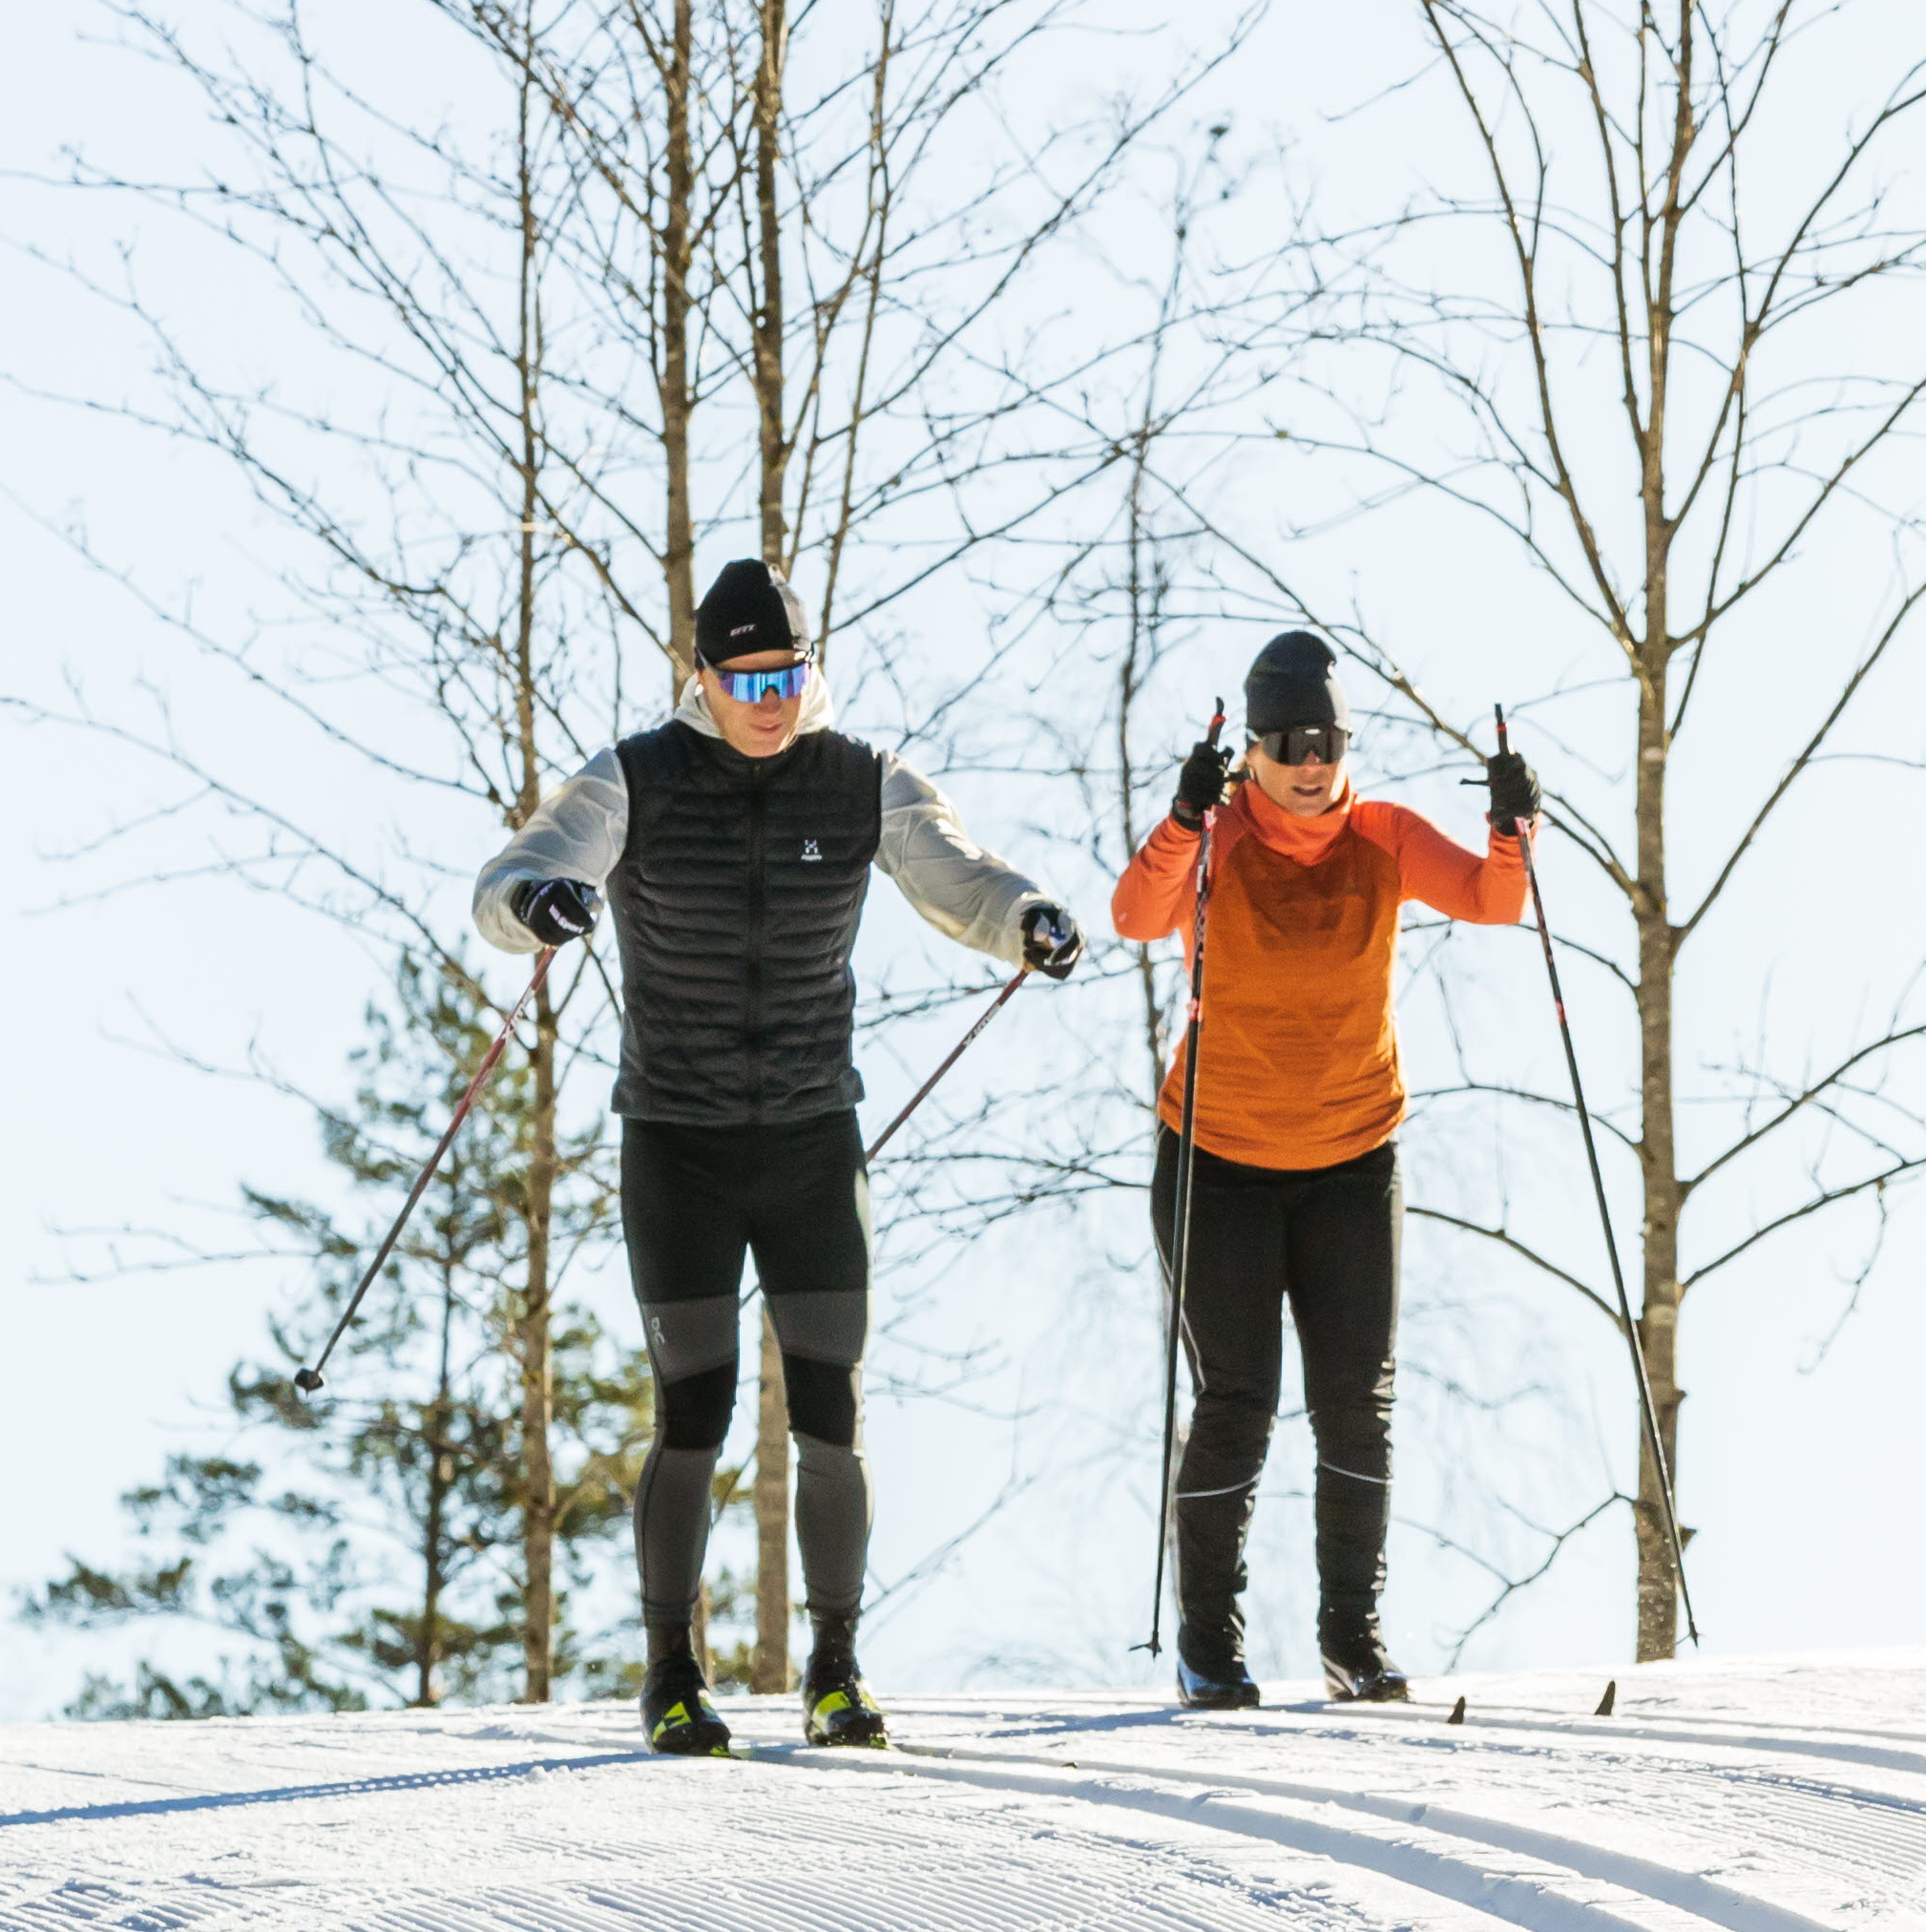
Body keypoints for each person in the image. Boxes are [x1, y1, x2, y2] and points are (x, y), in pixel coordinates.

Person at [474, 557, 1083, 1754]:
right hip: (678, 1145)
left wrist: (1027, 919)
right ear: (701, 675)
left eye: (788, 675)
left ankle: (836, 1671)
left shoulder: (861, 780)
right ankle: (670, 1676)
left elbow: (957, 878)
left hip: (810, 1141)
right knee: (693, 1414)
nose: (770, 701)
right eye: (746, 679)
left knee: (829, 1414)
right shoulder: (635, 777)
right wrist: (538, 902)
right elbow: (512, 881)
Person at [1111, 628, 1536, 1707]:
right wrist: (1179, 820)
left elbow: (1495, 901)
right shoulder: (1213, 838)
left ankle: (1353, 1636)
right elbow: (1134, 916)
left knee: (1355, 1404)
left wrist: (1510, 828)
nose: (1310, 763)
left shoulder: (1383, 835)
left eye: (1329, 741)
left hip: (1352, 1157)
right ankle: (1208, 1648)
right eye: (1290, 742)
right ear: (1250, 748)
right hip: (1216, 1160)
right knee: (1238, 1400)